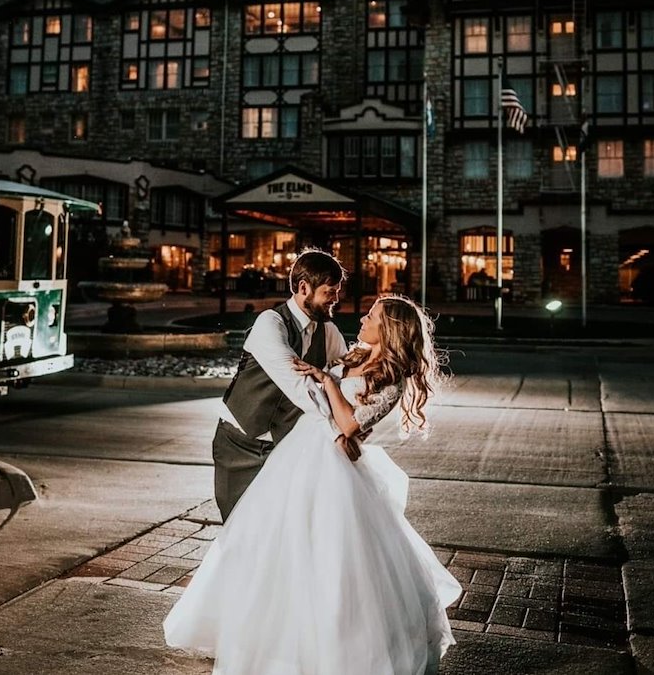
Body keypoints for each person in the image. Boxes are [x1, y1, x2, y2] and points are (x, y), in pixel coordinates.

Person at [164, 294, 461, 674]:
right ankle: (271, 634)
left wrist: (328, 382)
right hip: (299, 453)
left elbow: (350, 424)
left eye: (372, 316)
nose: (364, 319)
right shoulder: (353, 356)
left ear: (389, 329)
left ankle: (339, 645)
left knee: (331, 550)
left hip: (333, 466)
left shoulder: (391, 379)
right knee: (278, 541)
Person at [212, 247, 352, 521]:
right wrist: (336, 431)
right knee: (237, 533)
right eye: (329, 292)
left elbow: (346, 380)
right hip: (239, 444)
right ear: (303, 287)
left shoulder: (330, 332)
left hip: (285, 450)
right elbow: (299, 386)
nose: (336, 299)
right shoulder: (270, 323)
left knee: (278, 535)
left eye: (337, 291)